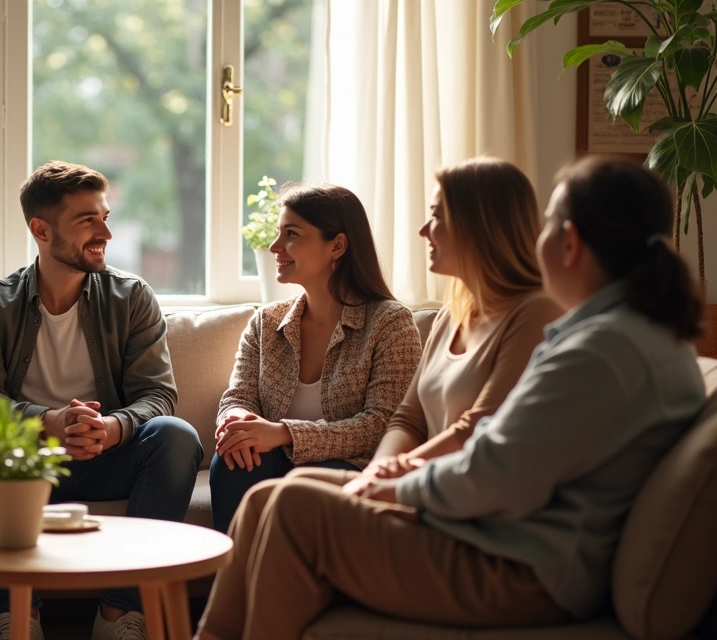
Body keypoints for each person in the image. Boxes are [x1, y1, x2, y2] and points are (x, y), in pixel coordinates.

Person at [194, 156, 706, 639]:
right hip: (495, 536)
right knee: (265, 498)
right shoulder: (618, 335)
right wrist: (388, 478)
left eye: (549, 224)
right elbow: (437, 430)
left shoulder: (600, 350)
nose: (538, 238)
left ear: (569, 242)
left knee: (293, 507)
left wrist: (391, 488)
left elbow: (494, 471)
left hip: (522, 565)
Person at [0, 160, 203, 640]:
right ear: (41, 230)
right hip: (22, 465)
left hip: (106, 457)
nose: (106, 232)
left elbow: (157, 395)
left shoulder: (131, 296)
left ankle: (120, 613)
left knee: (176, 437)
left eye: (104, 216)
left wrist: (113, 428)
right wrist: (47, 422)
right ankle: (16, 616)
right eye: (87, 220)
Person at [208, 184, 421, 532]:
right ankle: (236, 578)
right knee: (234, 461)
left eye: (291, 235)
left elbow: (381, 424)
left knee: (298, 482)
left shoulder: (390, 322)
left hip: (348, 468)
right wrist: (236, 421)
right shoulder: (267, 321)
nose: (275, 247)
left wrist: (283, 434)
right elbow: (238, 395)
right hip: (274, 464)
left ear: (336, 245)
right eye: (279, 234)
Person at [344, 158, 561, 494]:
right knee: (276, 490)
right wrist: (375, 472)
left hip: (457, 500)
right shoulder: (451, 315)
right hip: (412, 482)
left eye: (437, 216)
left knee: (290, 497)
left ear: (480, 226)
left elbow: (478, 427)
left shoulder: (536, 313)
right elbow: (408, 418)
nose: (424, 230)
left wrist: (394, 476)